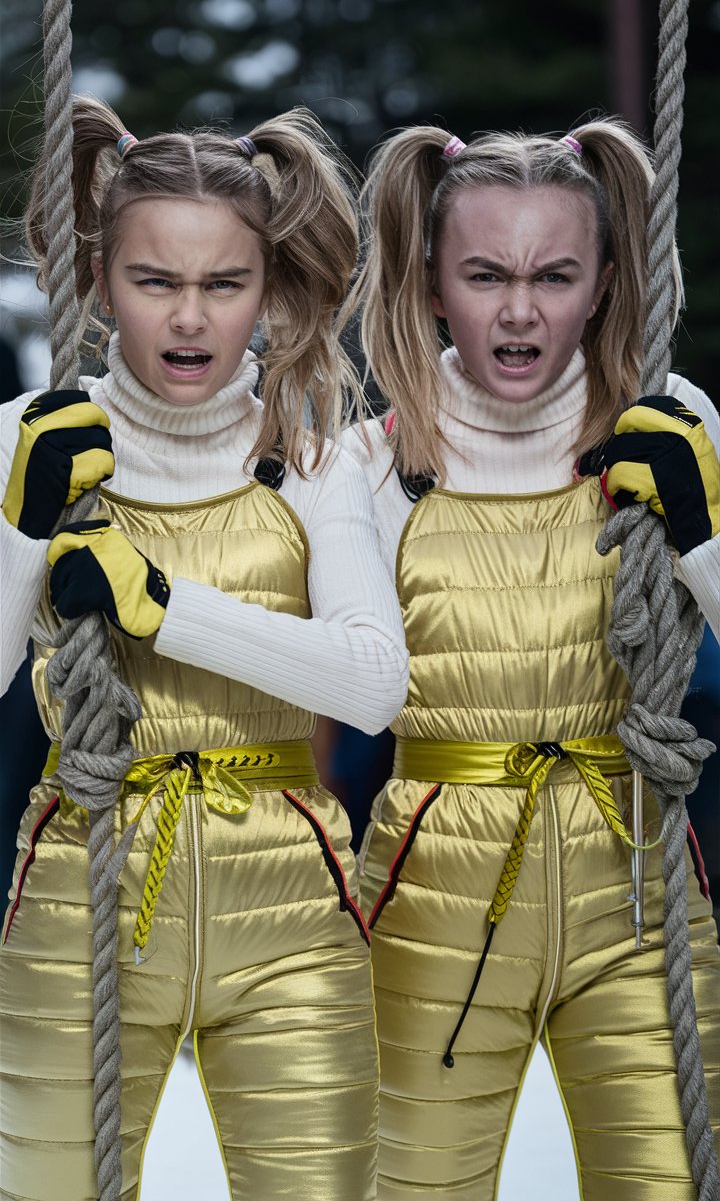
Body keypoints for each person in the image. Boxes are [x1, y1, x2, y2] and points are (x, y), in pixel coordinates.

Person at [0, 96, 409, 1201]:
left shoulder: (314, 455)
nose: (190, 317)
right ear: (100, 276)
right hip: (81, 880)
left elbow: (375, 683)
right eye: (156, 282)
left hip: (290, 890)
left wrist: (163, 605)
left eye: (224, 285)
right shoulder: (27, 435)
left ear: (269, 290)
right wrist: (22, 526)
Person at [342, 119, 720, 1199]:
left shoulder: (671, 422)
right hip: (433, 883)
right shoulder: (375, 462)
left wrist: (697, 532)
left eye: (555, 275)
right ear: (430, 283)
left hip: (637, 874)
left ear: (604, 283)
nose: (518, 310)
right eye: (485, 274)